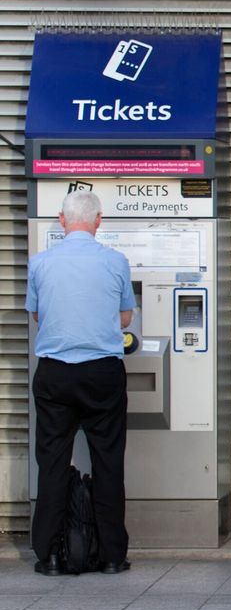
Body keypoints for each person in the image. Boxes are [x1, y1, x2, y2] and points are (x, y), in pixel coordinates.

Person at [26, 190, 135, 576]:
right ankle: (110, 555)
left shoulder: (39, 263)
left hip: (55, 371)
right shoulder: (115, 261)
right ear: (99, 221)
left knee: (52, 461)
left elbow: (39, 314)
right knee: (108, 460)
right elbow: (124, 318)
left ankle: (50, 555)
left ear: (61, 220)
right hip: (102, 371)